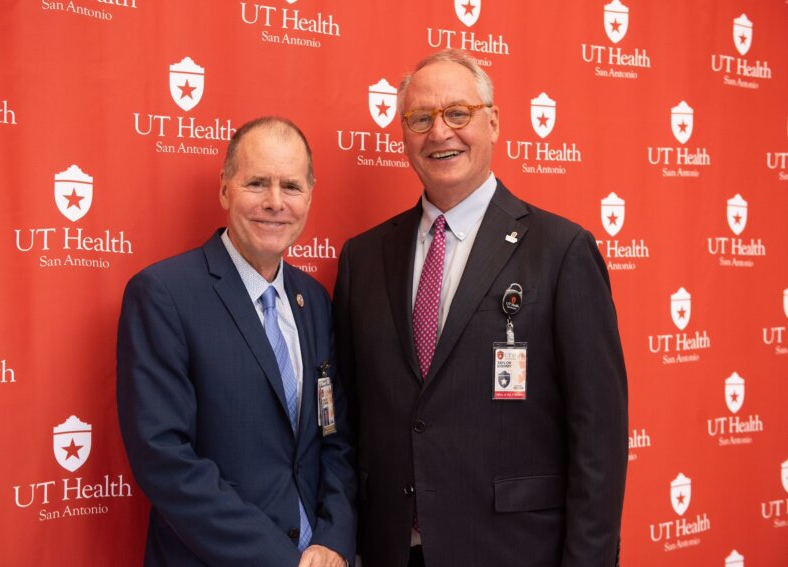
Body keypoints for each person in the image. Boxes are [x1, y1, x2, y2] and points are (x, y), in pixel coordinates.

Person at [333, 49, 627, 567]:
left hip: (513, 552)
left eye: (457, 113)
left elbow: (598, 441)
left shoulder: (562, 252)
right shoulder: (363, 257)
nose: (439, 132)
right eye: (420, 118)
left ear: (492, 121)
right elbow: (351, 421)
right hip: (390, 551)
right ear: (403, 133)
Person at [117, 117, 355, 567]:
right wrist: (279, 559)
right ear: (225, 189)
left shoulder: (315, 301)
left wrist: (334, 538)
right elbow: (163, 459)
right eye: (257, 183)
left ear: (309, 196)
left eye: (291, 186)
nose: (274, 202)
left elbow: (334, 437)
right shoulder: (164, 294)